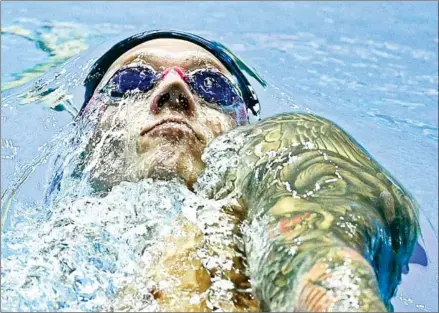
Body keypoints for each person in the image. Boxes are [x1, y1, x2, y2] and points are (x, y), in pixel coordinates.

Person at [64, 30, 419, 312]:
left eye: (211, 87)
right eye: (131, 81)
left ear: (244, 130)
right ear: (83, 140)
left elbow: (321, 260)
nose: (173, 90)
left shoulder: (285, 150)